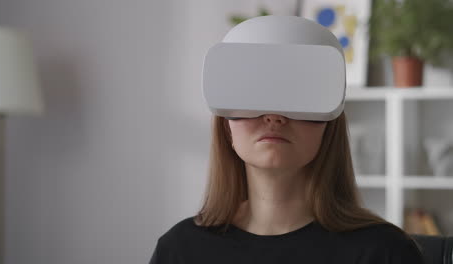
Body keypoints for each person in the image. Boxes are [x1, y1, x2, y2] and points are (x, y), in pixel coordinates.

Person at [149, 16, 425, 264]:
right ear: (225, 124)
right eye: (252, 95)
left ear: (329, 125)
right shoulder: (179, 251)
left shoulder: (386, 253)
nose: (274, 116)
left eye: (297, 95)